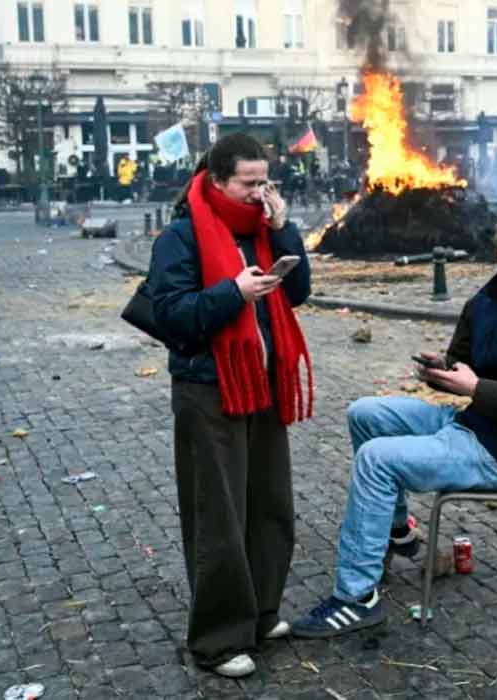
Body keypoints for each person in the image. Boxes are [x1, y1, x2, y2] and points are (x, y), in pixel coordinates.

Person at [291, 208, 497, 639]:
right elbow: (465, 364)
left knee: (376, 460)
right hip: (473, 423)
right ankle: (398, 532)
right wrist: (442, 369)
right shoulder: (486, 302)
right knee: (364, 413)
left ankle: (356, 597)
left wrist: (476, 388)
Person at [147, 133, 313, 678]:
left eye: (264, 181)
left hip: (261, 384)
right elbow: (171, 316)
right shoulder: (181, 236)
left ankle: (261, 612)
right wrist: (233, 294)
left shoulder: (262, 229)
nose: (259, 192)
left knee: (270, 504)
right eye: (249, 183)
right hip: (208, 389)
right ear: (218, 180)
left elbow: (299, 293)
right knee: (218, 515)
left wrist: (284, 228)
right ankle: (218, 640)